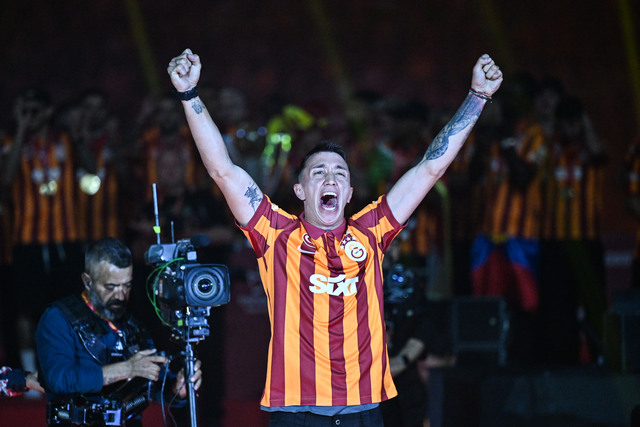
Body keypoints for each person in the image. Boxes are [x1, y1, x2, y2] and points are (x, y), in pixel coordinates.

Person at [167, 48, 502, 426]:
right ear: (300, 190)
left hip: (364, 411)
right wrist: (189, 95)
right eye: (318, 172)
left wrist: (478, 96)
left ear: (348, 192)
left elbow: (430, 169)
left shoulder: (372, 230)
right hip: (297, 414)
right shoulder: (276, 233)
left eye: (340, 173)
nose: (330, 178)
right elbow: (223, 171)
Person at [35, 237, 202, 426]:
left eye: (127, 285)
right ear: (88, 282)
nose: (120, 295)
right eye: (111, 287)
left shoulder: (132, 325)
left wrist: (177, 388)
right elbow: (58, 379)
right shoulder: (59, 318)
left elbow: (154, 385)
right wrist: (126, 369)